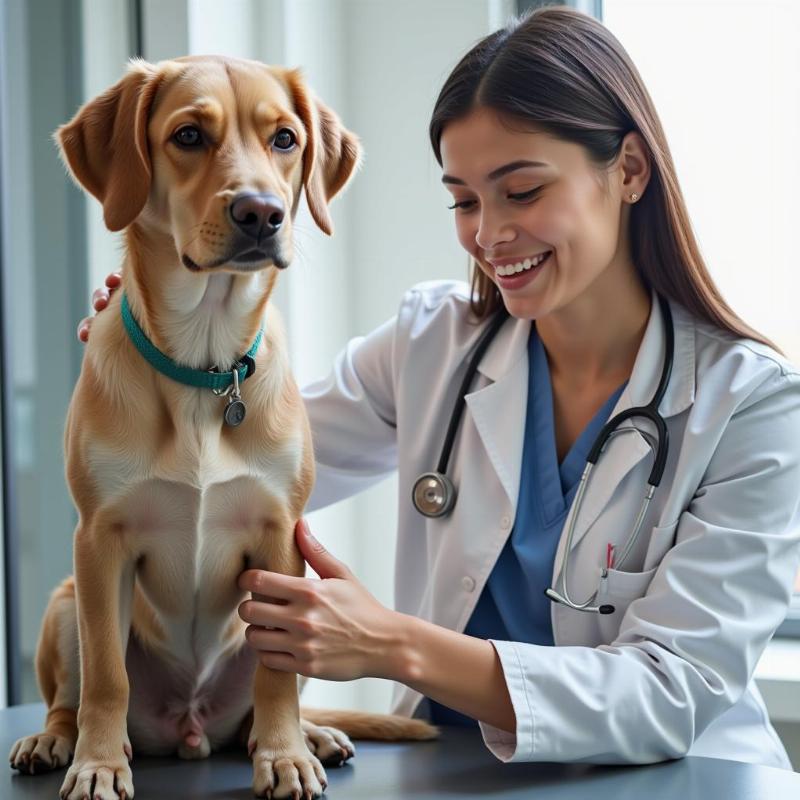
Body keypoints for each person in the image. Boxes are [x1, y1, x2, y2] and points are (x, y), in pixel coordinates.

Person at [80, 6, 800, 769]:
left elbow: (672, 689)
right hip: (449, 771)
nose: (488, 234)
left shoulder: (751, 405)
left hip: (678, 780)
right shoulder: (431, 344)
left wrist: (392, 645)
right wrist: (160, 358)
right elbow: (229, 471)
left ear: (628, 170)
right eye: (463, 200)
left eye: (521, 192)